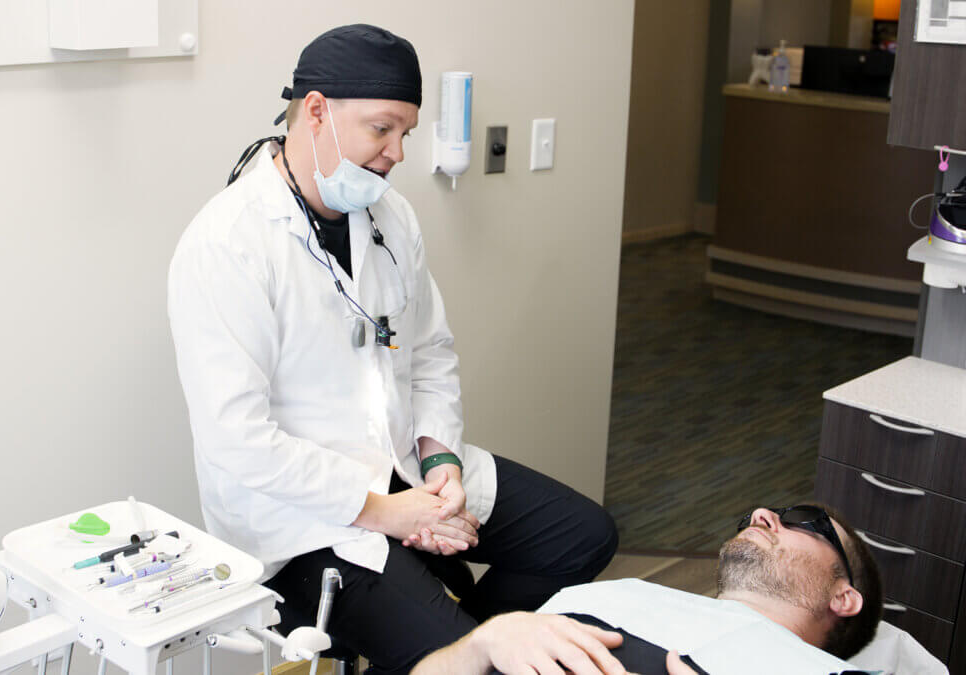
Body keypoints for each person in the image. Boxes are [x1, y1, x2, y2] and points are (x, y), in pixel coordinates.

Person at [167, 24, 617, 674]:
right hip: (303, 523)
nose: (397, 152)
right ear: (316, 110)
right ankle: (460, 653)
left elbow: (431, 351)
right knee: (470, 651)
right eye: (382, 129)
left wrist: (442, 465)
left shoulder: (388, 217)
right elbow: (236, 441)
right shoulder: (227, 244)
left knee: (584, 537)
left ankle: (447, 654)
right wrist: (386, 512)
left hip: (406, 464)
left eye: (405, 132)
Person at [412, 504, 883, 675]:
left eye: (804, 521)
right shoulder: (615, 596)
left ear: (844, 596)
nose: (761, 514)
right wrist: (481, 644)